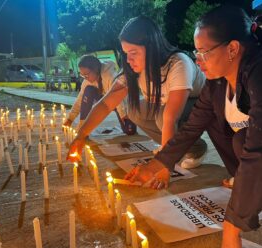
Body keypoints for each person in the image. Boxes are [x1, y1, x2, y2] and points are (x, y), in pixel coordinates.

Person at [124, 5, 262, 248]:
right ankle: (258, 190)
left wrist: (232, 227)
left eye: (203, 52)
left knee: (245, 142)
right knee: (224, 128)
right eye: (196, 51)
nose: (197, 60)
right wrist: (157, 164)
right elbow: (191, 128)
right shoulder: (216, 84)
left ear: (233, 48)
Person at [67, 16, 207, 169]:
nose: (128, 60)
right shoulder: (133, 70)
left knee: (162, 116)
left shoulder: (178, 64)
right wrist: (81, 135)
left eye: (134, 53)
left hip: (200, 103)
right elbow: (106, 104)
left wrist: (163, 165)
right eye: (126, 53)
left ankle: (193, 149)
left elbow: (170, 118)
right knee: (134, 110)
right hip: (167, 104)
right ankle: (176, 149)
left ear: (152, 47)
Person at [64, 55, 136, 135]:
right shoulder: (87, 81)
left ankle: (129, 119)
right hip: (104, 102)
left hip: (119, 102)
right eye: (82, 75)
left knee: (130, 130)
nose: (85, 78)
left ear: (95, 70)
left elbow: (118, 96)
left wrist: (123, 115)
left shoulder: (110, 75)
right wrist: (70, 119)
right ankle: (83, 126)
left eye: (86, 75)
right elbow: (80, 100)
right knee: (88, 90)